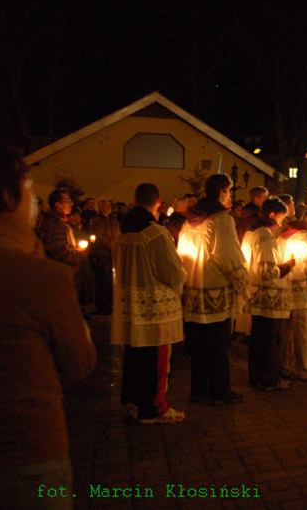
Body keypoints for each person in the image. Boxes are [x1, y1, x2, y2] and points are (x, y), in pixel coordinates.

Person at [0, 147, 96, 509]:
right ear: (10, 197)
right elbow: (79, 362)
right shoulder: (39, 275)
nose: (35, 206)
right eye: (31, 194)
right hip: (27, 447)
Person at [112, 183, 186, 423]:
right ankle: (154, 409)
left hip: (131, 304)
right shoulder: (155, 233)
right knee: (156, 360)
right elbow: (172, 272)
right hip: (154, 307)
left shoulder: (123, 231)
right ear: (158, 202)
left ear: (135, 200)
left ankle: (133, 402)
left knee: (135, 357)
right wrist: (181, 283)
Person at [178, 174, 248, 405]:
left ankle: (198, 391)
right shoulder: (221, 220)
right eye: (229, 192)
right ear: (221, 191)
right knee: (218, 345)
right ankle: (220, 391)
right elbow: (227, 257)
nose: (230, 197)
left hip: (195, 290)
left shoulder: (190, 220)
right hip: (215, 291)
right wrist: (242, 280)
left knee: (198, 346)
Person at [241, 198, 295, 392]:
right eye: (282, 216)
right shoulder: (265, 236)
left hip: (257, 296)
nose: (282, 221)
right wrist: (287, 266)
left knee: (259, 340)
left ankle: (258, 378)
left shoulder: (252, 233)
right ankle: (269, 379)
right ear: (272, 215)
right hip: (269, 298)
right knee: (271, 341)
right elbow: (268, 272)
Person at [277, 208, 307, 380]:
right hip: (301, 290)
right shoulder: (306, 237)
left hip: (283, 286)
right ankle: (306, 368)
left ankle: (285, 366)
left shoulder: (282, 235)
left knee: (285, 332)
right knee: (302, 330)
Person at [36, 189, 86, 271]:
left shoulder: (59, 221)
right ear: (58, 205)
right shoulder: (55, 223)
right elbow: (60, 253)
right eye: (68, 201)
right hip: (59, 271)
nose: (71, 204)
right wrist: (80, 254)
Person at [89, 199, 120, 315]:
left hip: (112, 255)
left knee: (110, 282)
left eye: (109, 205)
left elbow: (118, 235)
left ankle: (110, 304)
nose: (108, 207)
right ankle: (102, 306)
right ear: (100, 208)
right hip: (102, 255)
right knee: (102, 282)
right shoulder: (96, 221)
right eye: (105, 205)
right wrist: (111, 246)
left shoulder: (114, 221)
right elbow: (99, 237)